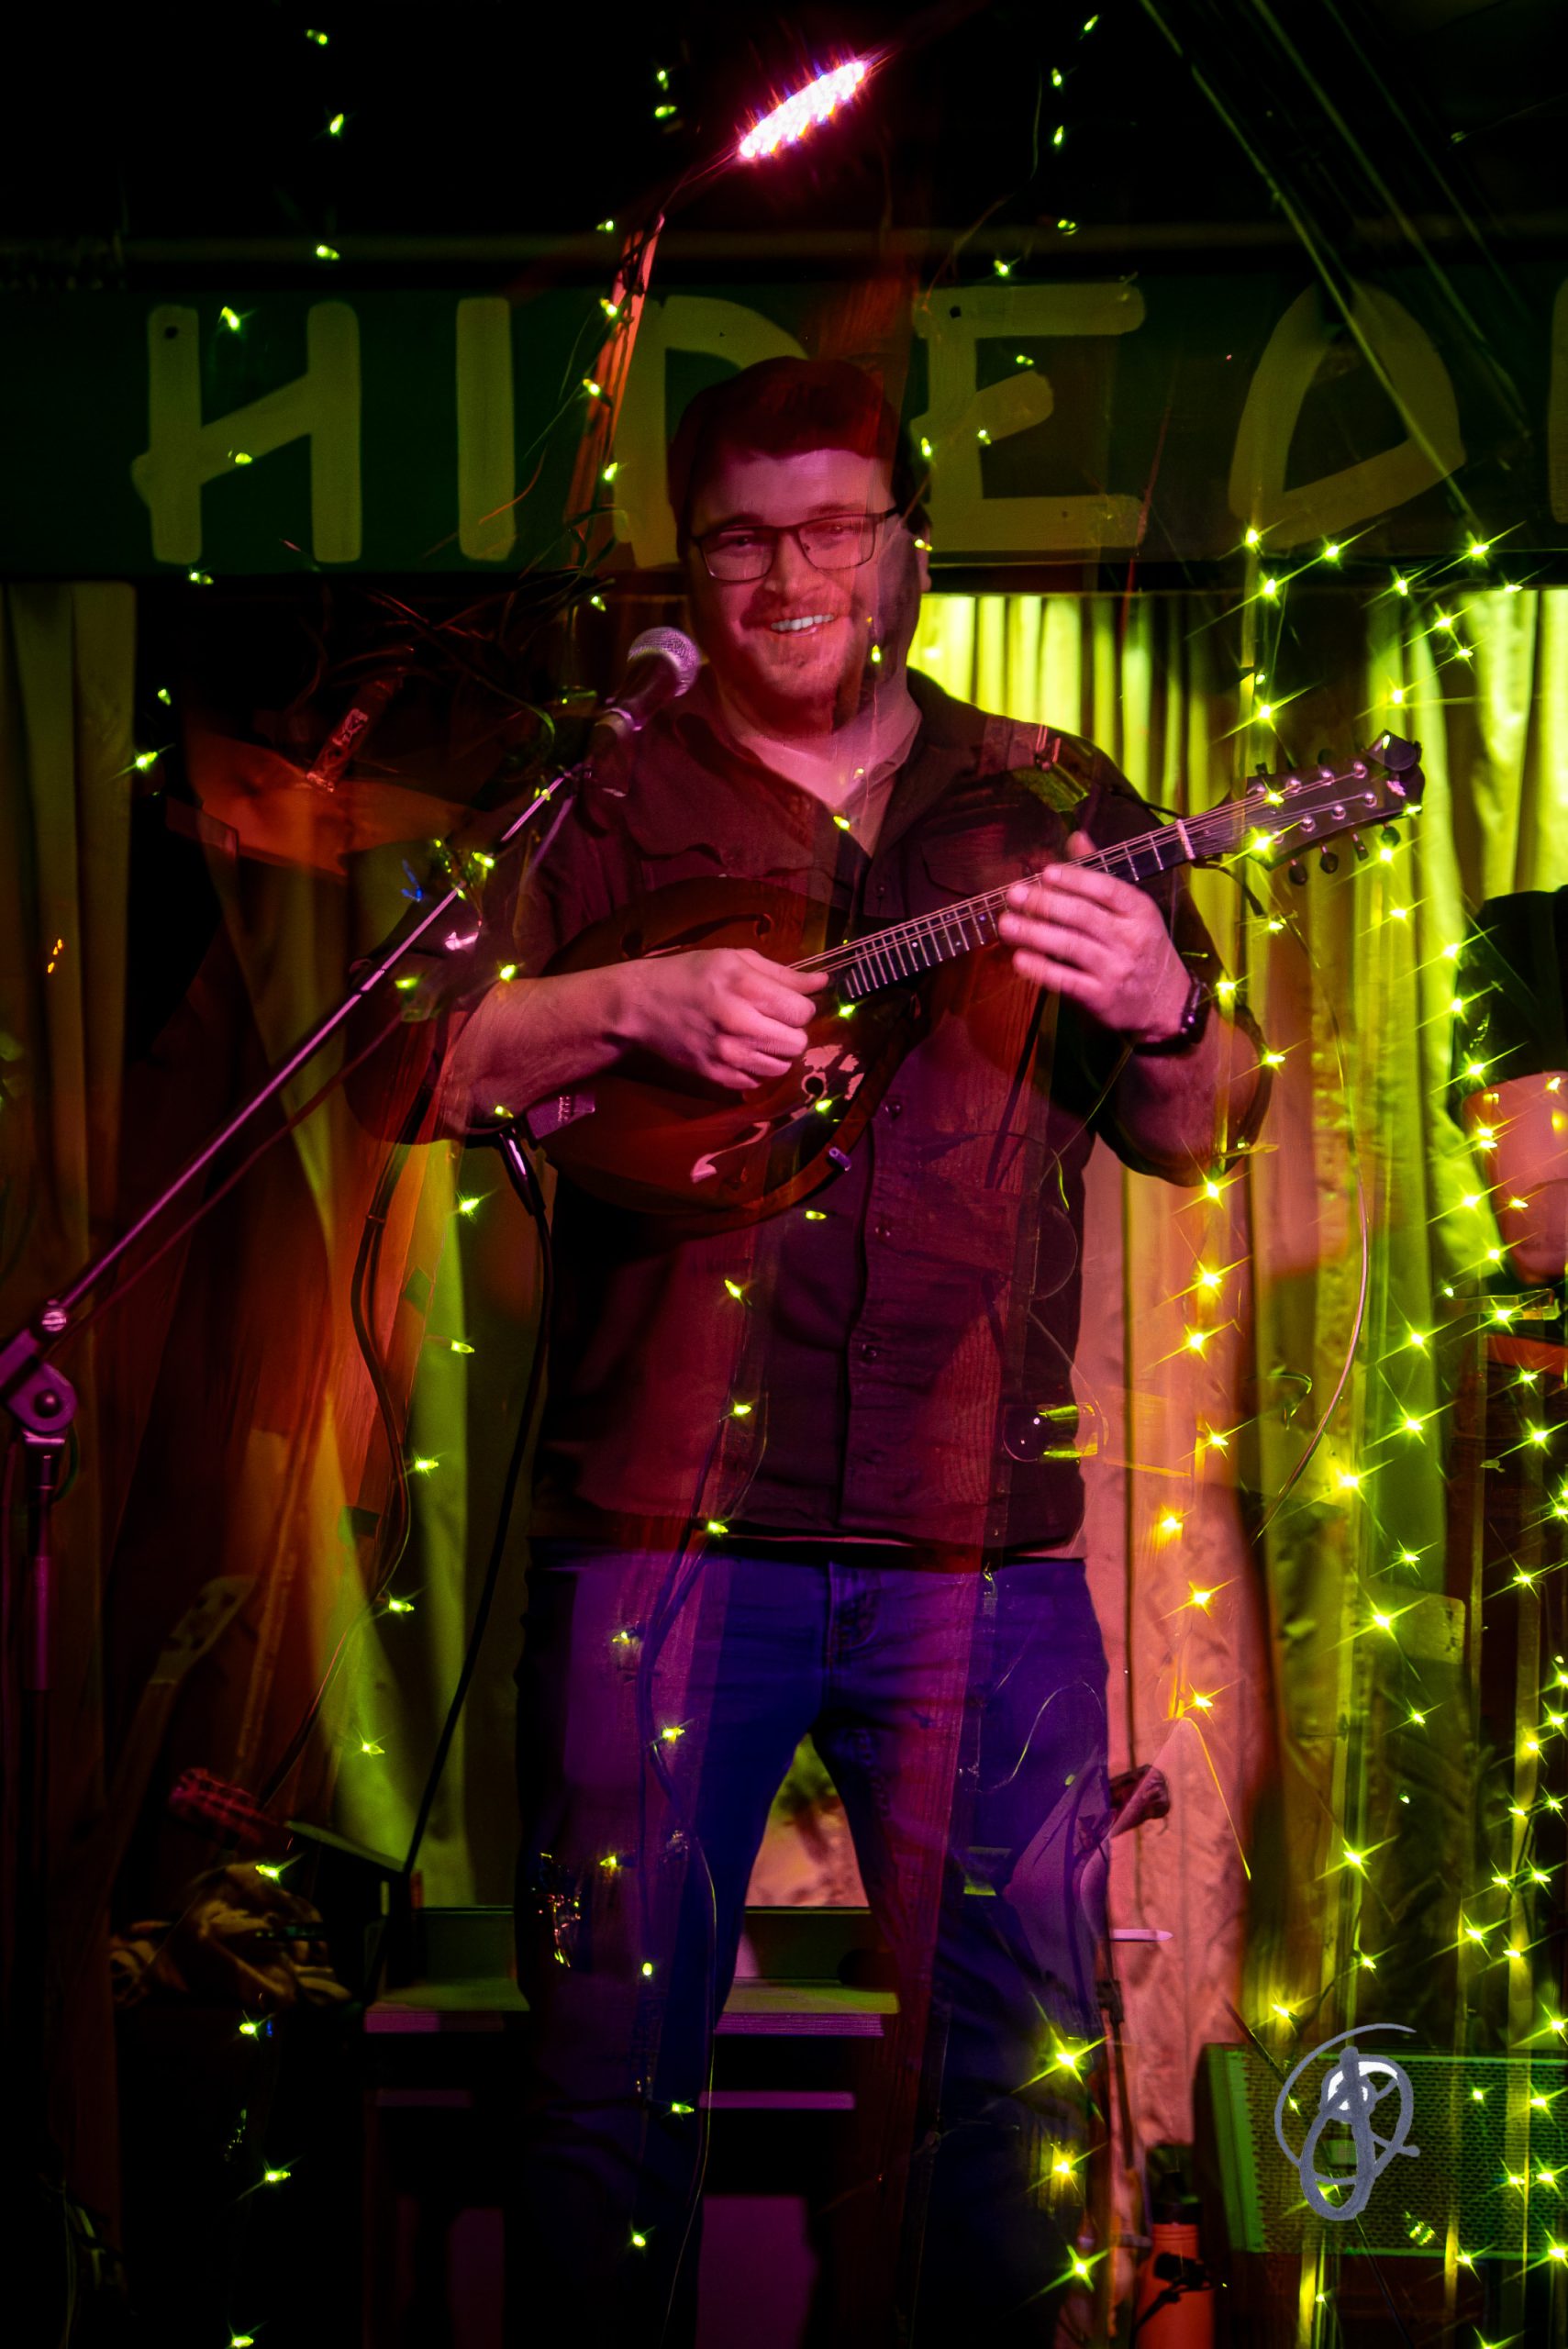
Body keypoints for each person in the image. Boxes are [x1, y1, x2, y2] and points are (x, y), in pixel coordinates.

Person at [434, 358, 1264, 2344]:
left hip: (977, 1553)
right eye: (743, 538)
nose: (790, 576)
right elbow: (422, 1061)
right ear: (686, 562)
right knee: (602, 2088)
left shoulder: (1050, 796)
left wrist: (1163, 1002)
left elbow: (1201, 1127)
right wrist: (629, 1001)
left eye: (832, 528)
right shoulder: (598, 796)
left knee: (1012, 2090)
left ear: (905, 550)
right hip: (659, 1540)